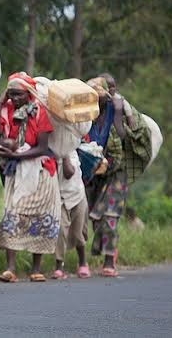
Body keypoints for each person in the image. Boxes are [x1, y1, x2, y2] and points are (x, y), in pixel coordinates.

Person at [0, 72, 59, 283]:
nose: (15, 98)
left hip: (41, 170)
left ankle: (36, 269)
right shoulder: (7, 110)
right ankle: (10, 269)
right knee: (13, 213)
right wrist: (1, 101)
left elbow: (43, 148)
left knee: (40, 215)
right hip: (16, 171)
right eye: (11, 94)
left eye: (19, 94)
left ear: (28, 94)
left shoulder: (39, 112)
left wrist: (15, 154)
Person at [85, 76, 127, 277]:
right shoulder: (84, 113)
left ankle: (109, 260)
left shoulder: (115, 109)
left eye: (98, 97)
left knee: (110, 216)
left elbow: (123, 135)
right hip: (94, 172)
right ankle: (106, 250)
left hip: (116, 171)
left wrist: (118, 112)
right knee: (94, 216)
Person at [51, 151, 90, 280]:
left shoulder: (72, 151)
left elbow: (70, 172)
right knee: (61, 230)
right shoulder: (53, 151)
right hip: (60, 196)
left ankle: (83, 262)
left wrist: (65, 153)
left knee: (79, 232)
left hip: (78, 194)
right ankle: (59, 266)